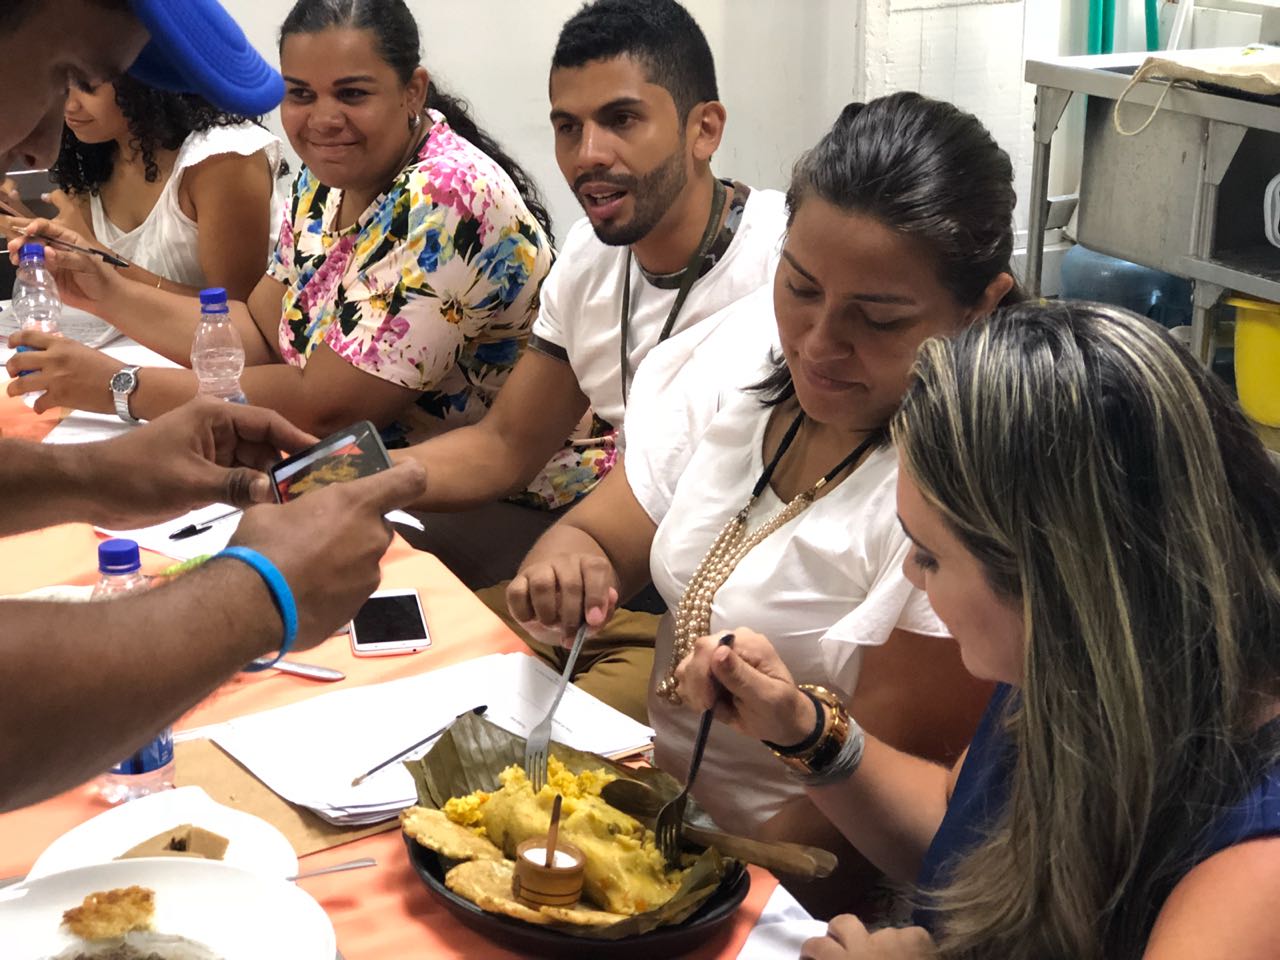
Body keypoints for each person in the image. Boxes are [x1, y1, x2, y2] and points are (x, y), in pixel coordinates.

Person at [507, 93, 1017, 914]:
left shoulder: (952, 509)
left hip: (771, 887)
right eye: (801, 287)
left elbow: (857, 839)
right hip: (658, 820)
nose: (818, 343)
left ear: (980, 308)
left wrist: (662, 883)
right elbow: (604, 533)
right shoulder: (748, 360)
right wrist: (571, 564)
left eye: (878, 320)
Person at [677, 302, 1280, 960]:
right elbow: (961, 824)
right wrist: (804, 730)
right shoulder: (1085, 664)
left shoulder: (1255, 870)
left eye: (931, 556)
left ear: (1056, 587)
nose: (910, 572)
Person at [0, 0, 427, 814]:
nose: (47, 146)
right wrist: (258, 593)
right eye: (66, 77)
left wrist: (97, 473)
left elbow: (308, 388)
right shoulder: (318, 190)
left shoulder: (425, 193)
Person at [392, 0, 790, 719]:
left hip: (747, 618)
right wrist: (359, 480)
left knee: (522, 736)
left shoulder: (787, 269)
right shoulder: (589, 259)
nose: (587, 154)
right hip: (622, 562)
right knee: (415, 666)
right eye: (567, 127)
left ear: (705, 129)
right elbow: (507, 443)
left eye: (622, 120)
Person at [6, 0, 554, 446]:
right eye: (301, 94)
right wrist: (103, 289)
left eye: (352, 93)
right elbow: (262, 335)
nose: (322, 120)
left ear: (412, 90)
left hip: (493, 493)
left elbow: (327, 409)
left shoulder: (446, 196)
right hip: (358, 464)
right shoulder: (325, 178)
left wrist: (118, 385)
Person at [33, 73, 282, 298]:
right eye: (61, 84)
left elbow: (238, 314)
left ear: (143, 79)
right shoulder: (93, 154)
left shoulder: (223, 156)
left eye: (88, 86)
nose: (70, 105)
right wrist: (27, 229)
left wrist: (96, 255)